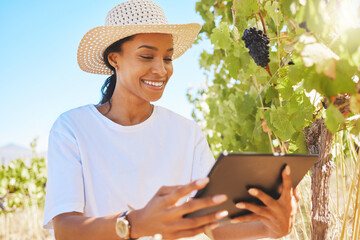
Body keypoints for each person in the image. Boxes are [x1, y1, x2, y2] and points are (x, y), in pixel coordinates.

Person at [43, 0, 299, 239]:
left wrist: (270, 227)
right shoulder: (72, 128)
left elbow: (214, 225)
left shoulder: (187, 134)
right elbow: (65, 228)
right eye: (146, 56)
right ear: (114, 59)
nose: (161, 69)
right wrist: (134, 223)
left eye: (167, 57)